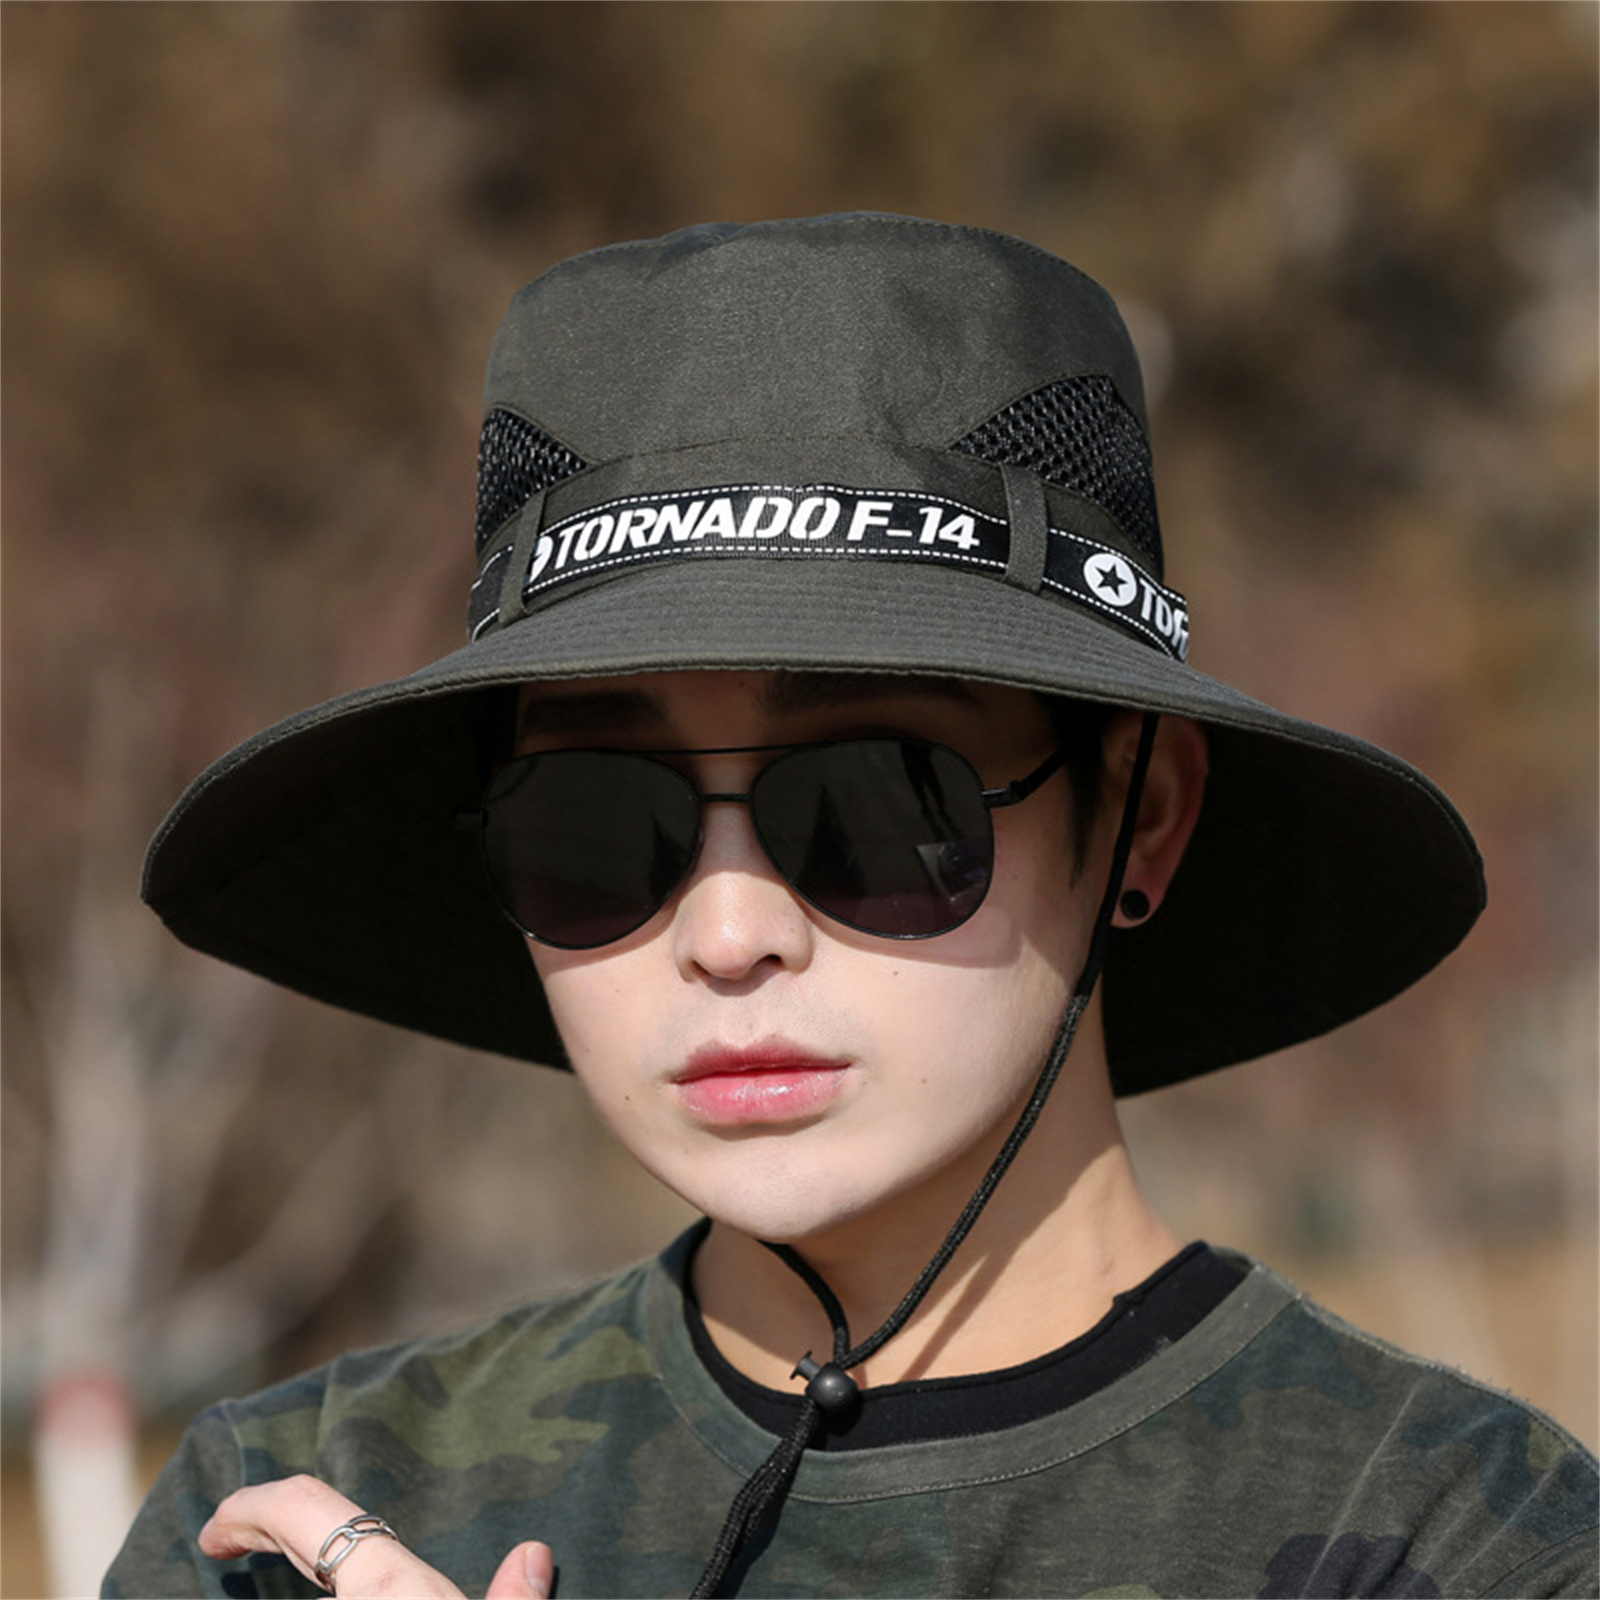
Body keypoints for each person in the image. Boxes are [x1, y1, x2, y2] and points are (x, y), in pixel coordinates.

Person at [106, 215, 1597, 1599]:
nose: (726, 934)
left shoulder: (1466, 1542)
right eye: (595, 822)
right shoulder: (290, 1522)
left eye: (880, 801)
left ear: (1141, 810)